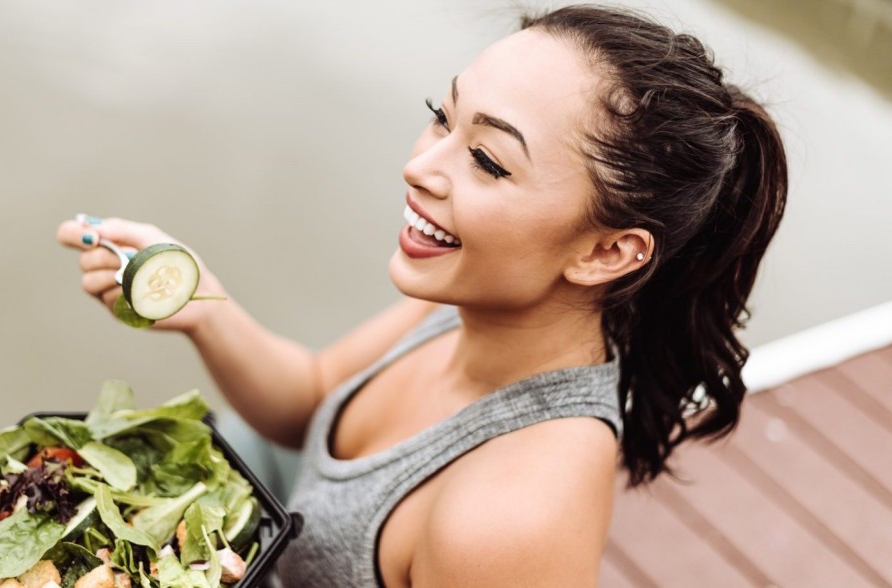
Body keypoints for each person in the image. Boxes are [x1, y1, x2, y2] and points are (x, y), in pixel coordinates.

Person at [57, 5, 787, 587]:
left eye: (487, 160)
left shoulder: (510, 521)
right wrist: (202, 308)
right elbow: (313, 401)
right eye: (443, 114)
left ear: (605, 252)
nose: (421, 166)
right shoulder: (470, 299)